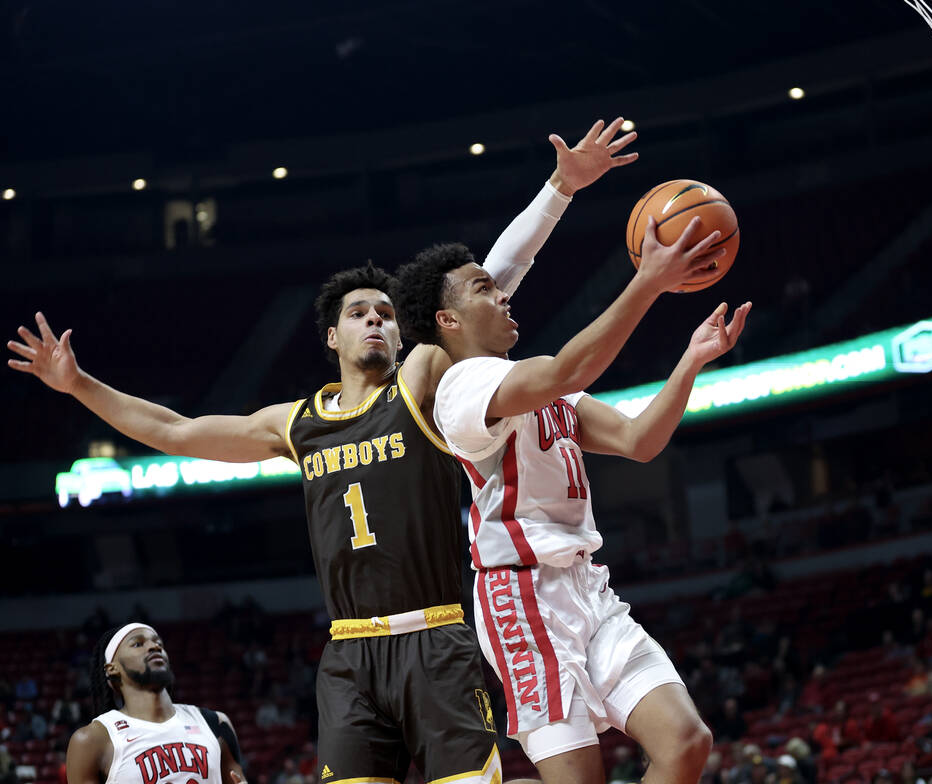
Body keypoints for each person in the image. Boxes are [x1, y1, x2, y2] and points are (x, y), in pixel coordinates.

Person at [9, 118, 637, 784]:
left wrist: (559, 191)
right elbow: (173, 431)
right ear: (331, 338)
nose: (376, 319)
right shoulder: (295, 424)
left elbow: (492, 277)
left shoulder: (423, 380)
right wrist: (78, 385)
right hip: (351, 655)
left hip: (438, 639)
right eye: (360, 312)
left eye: (387, 313)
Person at [392, 219, 750, 783]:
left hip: (587, 586)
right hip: (523, 598)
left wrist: (691, 361)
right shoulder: (462, 390)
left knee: (686, 743)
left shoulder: (545, 388)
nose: (503, 293)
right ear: (448, 321)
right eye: (484, 288)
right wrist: (649, 282)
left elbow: (638, 441)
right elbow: (566, 368)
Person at [65, 623, 245, 784]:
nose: (154, 646)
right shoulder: (93, 739)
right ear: (112, 668)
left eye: (158, 643)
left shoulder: (215, 723)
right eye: (138, 644)